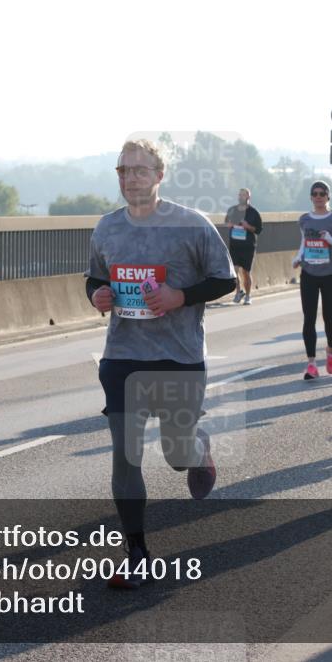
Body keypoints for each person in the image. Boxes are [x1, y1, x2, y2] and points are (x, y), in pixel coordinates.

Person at [86, 139, 235, 588]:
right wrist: (97, 295)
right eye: (123, 170)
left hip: (179, 356)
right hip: (122, 355)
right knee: (125, 454)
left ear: (159, 175)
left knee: (176, 455)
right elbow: (96, 277)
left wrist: (179, 297)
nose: (130, 178)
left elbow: (225, 279)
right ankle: (136, 553)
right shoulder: (107, 227)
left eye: (140, 169)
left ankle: (198, 448)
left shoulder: (191, 224)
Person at [293, 180, 332, 379]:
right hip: (309, 273)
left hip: (331, 274)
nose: (318, 197)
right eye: (315, 194)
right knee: (308, 318)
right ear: (311, 197)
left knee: (328, 316)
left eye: (322, 193)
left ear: (328, 196)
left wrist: (330, 239)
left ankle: (331, 351)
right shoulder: (304, 219)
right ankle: (311, 364)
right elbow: (305, 242)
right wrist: (298, 257)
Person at [224, 187, 263, 305]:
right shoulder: (232, 210)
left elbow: (259, 230)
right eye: (239, 195)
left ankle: (248, 295)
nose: (241, 197)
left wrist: (248, 226)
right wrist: (229, 224)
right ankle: (238, 292)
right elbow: (226, 222)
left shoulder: (254, 212)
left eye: (243, 195)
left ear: (248, 197)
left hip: (248, 247)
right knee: (234, 271)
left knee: (246, 272)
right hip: (234, 245)